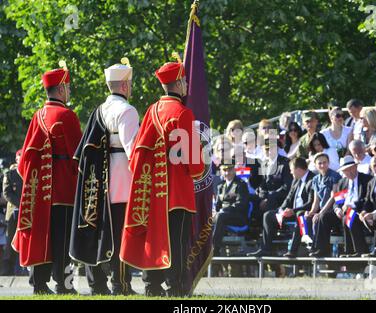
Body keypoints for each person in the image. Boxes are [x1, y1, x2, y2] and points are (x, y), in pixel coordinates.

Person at [120, 59, 205, 297]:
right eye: (185, 80)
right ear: (177, 83)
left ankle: (152, 285)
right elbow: (194, 163)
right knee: (177, 243)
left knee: (154, 238)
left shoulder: (152, 111)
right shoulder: (183, 113)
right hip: (177, 192)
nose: (187, 84)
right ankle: (176, 287)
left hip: (153, 192)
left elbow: (136, 153)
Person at [70, 59, 139, 295]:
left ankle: (97, 284)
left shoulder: (98, 110)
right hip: (121, 182)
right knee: (121, 234)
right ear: (125, 86)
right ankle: (121, 284)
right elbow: (133, 150)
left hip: (96, 183)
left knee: (96, 229)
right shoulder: (128, 111)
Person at [13, 62, 82, 294]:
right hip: (63, 188)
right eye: (69, 87)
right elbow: (78, 156)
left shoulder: (38, 116)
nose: (70, 91)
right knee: (63, 240)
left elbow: (24, 160)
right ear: (61, 89)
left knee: (40, 235)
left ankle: (39, 284)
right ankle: (64, 284)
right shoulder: (66, 115)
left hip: (39, 190)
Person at [247, 157, 315, 257]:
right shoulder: (296, 180)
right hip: (291, 212)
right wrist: (281, 210)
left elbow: (310, 203)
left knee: (300, 215)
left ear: (298, 169)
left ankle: (293, 250)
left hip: (304, 213)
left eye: (292, 170)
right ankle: (267, 249)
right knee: (268, 215)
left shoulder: (312, 180)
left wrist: (293, 210)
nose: (291, 173)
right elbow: (288, 198)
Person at [334, 156, 372, 257]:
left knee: (349, 217)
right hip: (344, 211)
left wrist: (352, 205)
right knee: (327, 218)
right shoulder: (342, 182)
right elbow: (337, 201)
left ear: (356, 167)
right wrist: (337, 209)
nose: (349, 172)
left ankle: (359, 251)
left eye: (351, 168)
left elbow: (368, 199)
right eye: (346, 170)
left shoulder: (366, 179)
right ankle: (349, 251)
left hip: (360, 210)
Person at [307, 153, 342, 257]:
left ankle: (322, 249)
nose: (322, 165)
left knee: (321, 217)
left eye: (324, 162)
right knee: (308, 218)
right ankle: (314, 246)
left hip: (333, 210)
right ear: (315, 165)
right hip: (323, 210)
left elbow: (333, 197)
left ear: (328, 163)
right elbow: (316, 200)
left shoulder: (335, 176)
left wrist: (320, 212)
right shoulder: (315, 179)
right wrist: (312, 212)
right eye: (320, 163)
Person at [213, 162, 249, 257]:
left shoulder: (241, 184)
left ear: (234, 170)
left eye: (229, 170)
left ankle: (214, 249)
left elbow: (241, 204)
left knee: (220, 216)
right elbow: (217, 205)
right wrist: (214, 212)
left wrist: (225, 210)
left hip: (238, 217)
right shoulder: (220, 186)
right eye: (224, 170)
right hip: (222, 217)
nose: (227, 173)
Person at [256, 138, 293, 217]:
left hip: (280, 198)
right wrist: (263, 196)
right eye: (266, 149)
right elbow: (262, 183)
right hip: (268, 196)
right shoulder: (263, 164)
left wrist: (269, 197)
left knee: (269, 204)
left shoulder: (285, 163)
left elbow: (287, 187)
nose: (269, 151)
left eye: (272, 148)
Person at [1, 149, 23, 275]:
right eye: (20, 159)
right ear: (16, 159)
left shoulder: (28, 172)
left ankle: (23, 270)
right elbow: (7, 193)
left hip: (26, 213)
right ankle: (6, 272)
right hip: (13, 213)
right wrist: (21, 203)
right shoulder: (10, 174)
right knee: (10, 242)